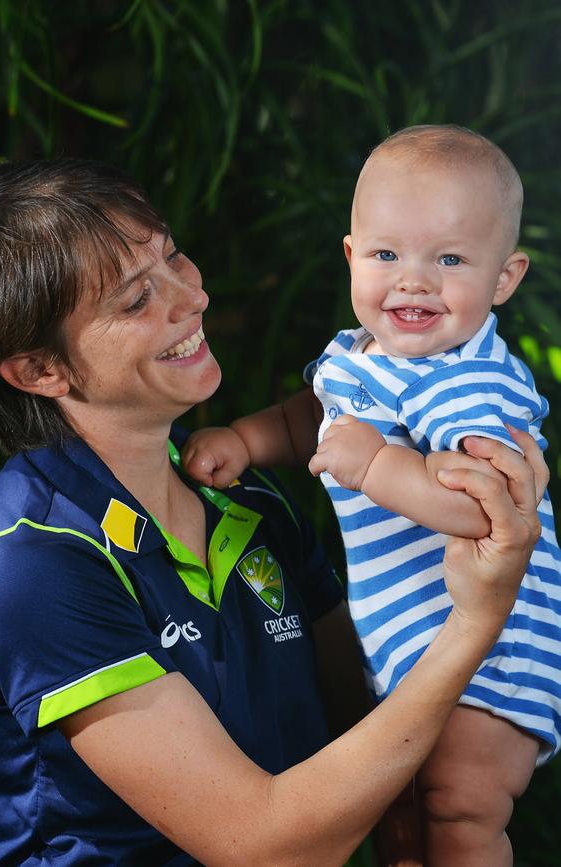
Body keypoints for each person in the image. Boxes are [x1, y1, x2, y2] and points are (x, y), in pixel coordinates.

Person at [0, 158, 545, 867]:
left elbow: (374, 737)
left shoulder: (246, 498)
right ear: (39, 371)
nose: (191, 296)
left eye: (173, 256)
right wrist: (476, 620)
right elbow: (266, 846)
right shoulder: (32, 566)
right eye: (135, 299)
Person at [182, 125, 561, 866]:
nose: (413, 280)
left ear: (504, 278)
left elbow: (488, 513)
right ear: (353, 256)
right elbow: (316, 422)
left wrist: (379, 464)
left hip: (495, 650)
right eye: (387, 254)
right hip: (403, 640)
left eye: (449, 259)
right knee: (398, 815)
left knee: (459, 807)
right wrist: (249, 441)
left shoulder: (470, 384)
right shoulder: (357, 354)